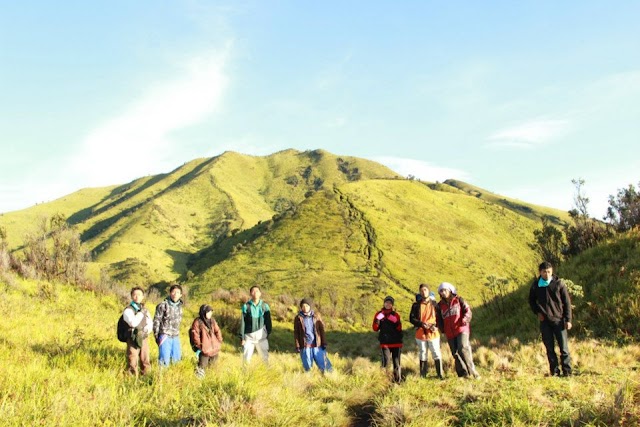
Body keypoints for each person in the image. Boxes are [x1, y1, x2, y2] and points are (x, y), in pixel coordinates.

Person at [528, 261, 573, 377]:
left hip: (559, 320)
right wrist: (537, 312)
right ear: (540, 272)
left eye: (549, 272)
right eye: (544, 272)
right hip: (545, 322)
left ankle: (567, 372)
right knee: (550, 348)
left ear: (552, 271)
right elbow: (531, 301)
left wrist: (568, 320)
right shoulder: (536, 285)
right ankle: (555, 372)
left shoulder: (559, 284)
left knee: (564, 348)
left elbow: (567, 302)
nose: (547, 274)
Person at [436, 282, 480, 379]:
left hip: (461, 329)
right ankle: (463, 374)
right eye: (441, 291)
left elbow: (467, 311)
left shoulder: (459, 300)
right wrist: (441, 328)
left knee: (463, 348)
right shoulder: (439, 306)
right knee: (455, 353)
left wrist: (465, 319)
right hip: (449, 332)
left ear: (450, 290)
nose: (443, 293)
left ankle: (473, 372)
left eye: (445, 290)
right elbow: (438, 319)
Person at [409, 284, 444, 379]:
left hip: (433, 333)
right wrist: (421, 324)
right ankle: (423, 375)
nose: (423, 292)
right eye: (421, 290)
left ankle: (440, 374)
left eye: (425, 290)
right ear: (420, 292)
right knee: (422, 353)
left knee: (436, 352)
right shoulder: (416, 305)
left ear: (428, 291)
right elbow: (411, 319)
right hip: (420, 334)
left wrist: (436, 327)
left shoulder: (435, 305)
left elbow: (440, 319)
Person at [293, 298, 333, 373]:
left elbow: (321, 330)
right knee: (307, 365)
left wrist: (323, 342)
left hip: (317, 344)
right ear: (301, 307)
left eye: (307, 306)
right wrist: (297, 345)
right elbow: (296, 333)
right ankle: (309, 378)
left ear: (310, 306)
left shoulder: (316, 316)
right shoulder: (298, 318)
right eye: (303, 306)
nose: (305, 308)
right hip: (305, 345)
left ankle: (329, 374)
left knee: (323, 362)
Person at [372, 296, 403, 382]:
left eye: (390, 303)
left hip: (396, 342)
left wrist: (396, 321)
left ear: (392, 305)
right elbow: (375, 328)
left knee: (396, 363)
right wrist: (377, 320)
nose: (388, 304)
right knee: (386, 362)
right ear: (384, 303)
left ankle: (397, 381)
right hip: (385, 343)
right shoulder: (379, 314)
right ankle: (384, 380)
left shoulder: (396, 315)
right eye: (386, 302)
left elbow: (399, 329)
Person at [123, 287, 153, 376]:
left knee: (145, 358)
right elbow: (133, 323)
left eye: (139, 295)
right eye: (134, 295)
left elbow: (150, 323)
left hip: (143, 337)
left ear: (143, 296)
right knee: (132, 359)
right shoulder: (128, 310)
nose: (137, 297)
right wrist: (140, 313)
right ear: (131, 296)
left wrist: (146, 331)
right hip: (132, 338)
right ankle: (131, 378)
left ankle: (146, 377)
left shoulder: (145, 310)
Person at [153, 284, 184, 366]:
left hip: (175, 336)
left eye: (178, 292)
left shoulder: (180, 307)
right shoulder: (163, 305)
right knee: (164, 360)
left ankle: (173, 377)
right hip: (165, 335)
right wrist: (157, 336)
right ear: (170, 293)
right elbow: (156, 320)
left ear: (181, 295)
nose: (175, 294)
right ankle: (161, 377)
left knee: (177, 359)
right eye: (173, 292)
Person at [239, 285, 272, 365]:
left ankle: (267, 375)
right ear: (250, 293)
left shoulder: (265, 306)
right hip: (248, 338)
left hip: (261, 338)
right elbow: (243, 322)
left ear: (260, 293)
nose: (255, 293)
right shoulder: (246, 306)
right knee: (246, 358)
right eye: (253, 291)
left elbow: (268, 321)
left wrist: (268, 332)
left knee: (265, 358)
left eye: (257, 291)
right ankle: (245, 376)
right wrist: (242, 337)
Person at [190, 304, 223, 379]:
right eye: (208, 312)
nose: (210, 313)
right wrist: (201, 346)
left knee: (212, 369)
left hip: (214, 349)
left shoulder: (212, 321)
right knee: (201, 369)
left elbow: (218, 331)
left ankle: (209, 382)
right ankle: (198, 384)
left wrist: (219, 342)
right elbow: (195, 336)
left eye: (211, 312)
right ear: (203, 312)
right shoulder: (197, 322)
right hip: (204, 351)